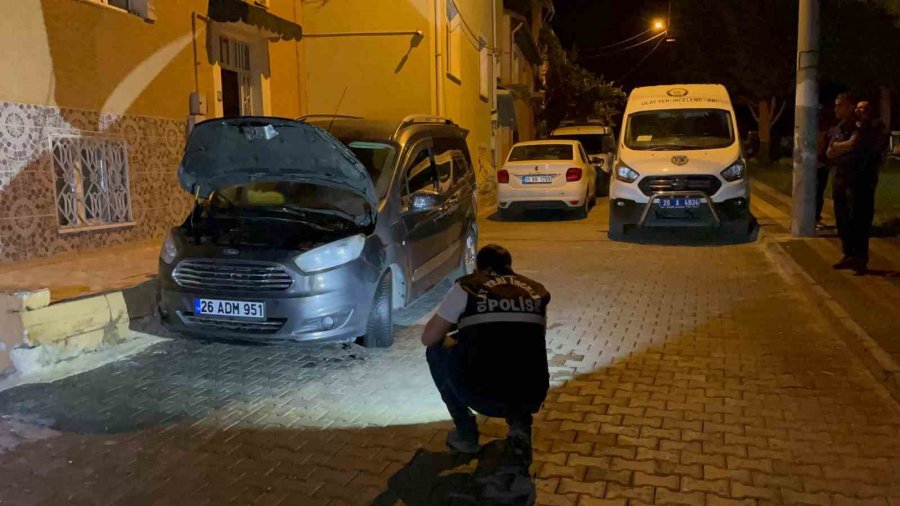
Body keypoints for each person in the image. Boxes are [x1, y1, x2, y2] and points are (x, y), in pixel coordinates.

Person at [421, 244, 550, 464]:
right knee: (522, 350)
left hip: (482, 394)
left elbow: (428, 337)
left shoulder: (467, 286)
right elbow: (531, 337)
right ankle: (520, 428)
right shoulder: (537, 290)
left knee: (435, 350)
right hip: (531, 394)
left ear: (478, 268)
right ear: (510, 267)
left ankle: (466, 433)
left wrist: (458, 338)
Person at [827, 97, 884, 274]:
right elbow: (829, 152)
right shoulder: (840, 127)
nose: (835, 109)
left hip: (860, 179)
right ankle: (848, 254)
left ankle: (859, 259)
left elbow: (855, 144)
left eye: (839, 106)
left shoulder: (868, 126)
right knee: (842, 218)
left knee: (858, 219)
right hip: (841, 177)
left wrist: (839, 147)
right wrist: (839, 147)